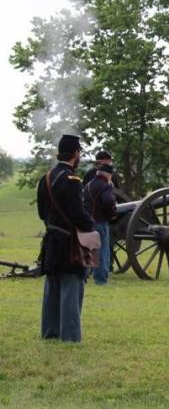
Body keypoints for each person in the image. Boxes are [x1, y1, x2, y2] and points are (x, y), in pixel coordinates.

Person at [37, 134, 96, 342]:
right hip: (70, 242)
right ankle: (70, 337)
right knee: (71, 287)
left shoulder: (45, 179)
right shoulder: (72, 181)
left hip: (51, 240)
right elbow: (78, 214)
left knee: (52, 287)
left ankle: (49, 332)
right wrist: (91, 225)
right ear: (76, 154)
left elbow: (42, 212)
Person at [83, 163, 117, 285]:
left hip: (88, 222)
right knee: (102, 251)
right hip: (100, 221)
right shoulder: (105, 186)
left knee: (88, 250)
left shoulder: (88, 185)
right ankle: (101, 279)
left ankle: (84, 277)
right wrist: (112, 213)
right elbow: (108, 200)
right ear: (108, 175)